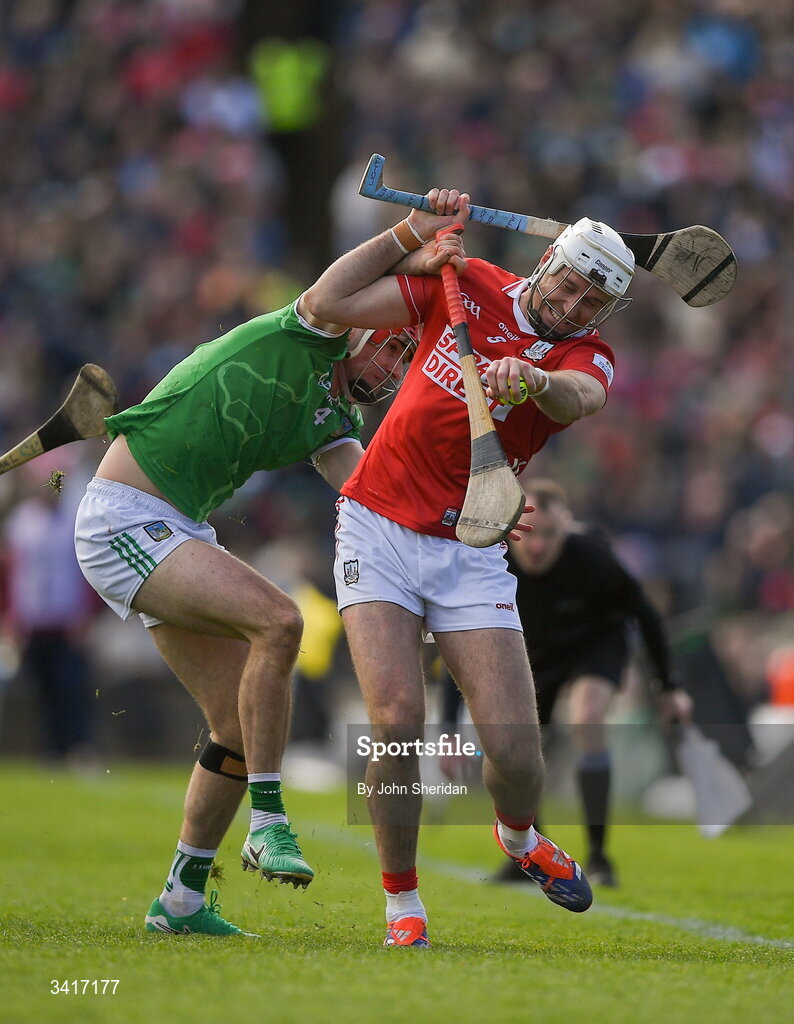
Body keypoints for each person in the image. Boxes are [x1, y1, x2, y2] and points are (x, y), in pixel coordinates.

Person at [72, 210, 464, 938]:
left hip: (178, 528)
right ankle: (270, 821)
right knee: (280, 621)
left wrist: (461, 515)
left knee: (237, 726)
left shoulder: (335, 421)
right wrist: (411, 233)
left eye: (408, 358)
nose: (395, 369)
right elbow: (331, 291)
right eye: (394, 349)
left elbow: (373, 493)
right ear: (366, 330)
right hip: (123, 518)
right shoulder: (312, 330)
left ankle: (182, 900)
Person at [304, 188, 644, 946]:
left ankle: (519, 838)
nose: (571, 302)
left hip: (473, 543)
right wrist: (409, 233)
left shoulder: (584, 354)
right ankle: (403, 906)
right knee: (395, 723)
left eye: (590, 298)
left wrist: (534, 380)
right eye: (568, 281)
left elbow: (580, 399)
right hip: (379, 525)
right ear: (547, 262)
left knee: (517, 753)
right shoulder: (468, 282)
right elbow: (327, 299)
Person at [442, 478, 693, 887]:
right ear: (510, 528)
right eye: (528, 534)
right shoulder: (490, 562)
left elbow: (645, 615)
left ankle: (599, 858)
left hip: (595, 644)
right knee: (511, 745)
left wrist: (670, 686)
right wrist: (450, 728)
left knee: (587, 716)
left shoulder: (592, 557)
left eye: (550, 535)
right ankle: (527, 854)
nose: (537, 547)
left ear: (567, 526)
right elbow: (457, 647)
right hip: (537, 655)